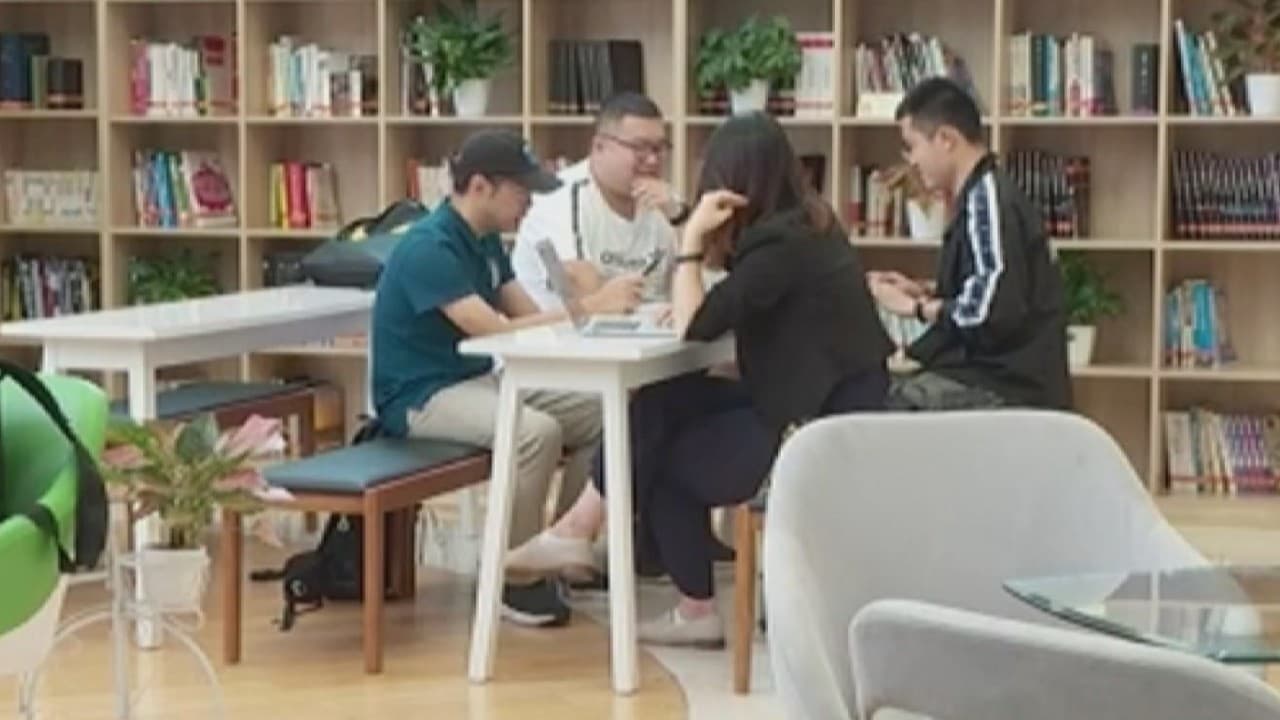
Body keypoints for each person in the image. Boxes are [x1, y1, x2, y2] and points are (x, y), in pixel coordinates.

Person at [505, 112, 895, 647]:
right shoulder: (807, 228)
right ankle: (577, 528)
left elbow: (694, 325)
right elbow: (730, 310)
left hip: (809, 432)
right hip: (822, 409)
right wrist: (691, 238)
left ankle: (688, 606)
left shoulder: (777, 249)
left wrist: (689, 240)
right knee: (663, 397)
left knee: (663, 461)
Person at [371, 129, 605, 628]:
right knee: (534, 432)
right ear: (480, 186)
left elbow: (527, 318)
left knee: (602, 412)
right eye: (521, 191)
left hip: (475, 381)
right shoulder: (428, 248)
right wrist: (588, 308)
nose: (529, 203)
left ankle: (560, 546)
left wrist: (584, 306)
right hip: (420, 396)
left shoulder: (486, 241)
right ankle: (512, 577)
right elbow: (493, 331)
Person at [869, 76, 1071, 411]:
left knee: (881, 405)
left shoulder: (987, 200)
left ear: (946, 139)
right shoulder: (984, 193)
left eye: (913, 146)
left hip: (1006, 386)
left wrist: (914, 308)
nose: (911, 161)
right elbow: (994, 286)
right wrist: (923, 291)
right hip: (999, 376)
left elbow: (990, 314)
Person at [510, 92, 689, 313]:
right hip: (566, 332)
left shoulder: (665, 203)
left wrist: (679, 218)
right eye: (639, 148)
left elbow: (700, 280)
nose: (652, 160)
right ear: (599, 147)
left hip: (646, 330)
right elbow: (580, 284)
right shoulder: (558, 199)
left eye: (659, 149)